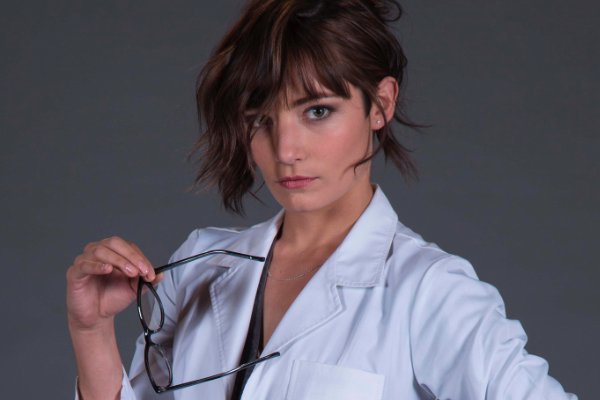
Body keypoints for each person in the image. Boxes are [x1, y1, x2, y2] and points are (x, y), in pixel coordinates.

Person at [66, 0, 578, 399]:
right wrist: (91, 331)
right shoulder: (199, 268)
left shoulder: (429, 291)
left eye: (317, 111)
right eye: (260, 120)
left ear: (380, 104)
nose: (286, 150)